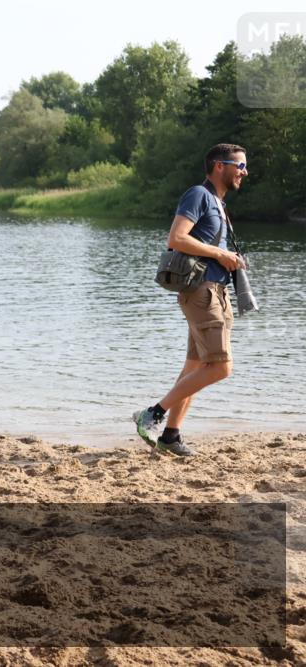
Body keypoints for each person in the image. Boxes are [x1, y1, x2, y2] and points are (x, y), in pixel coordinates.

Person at [133, 144, 249, 456]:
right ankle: (152, 414)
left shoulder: (217, 203)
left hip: (216, 291)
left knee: (196, 366)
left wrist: (229, 259)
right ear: (218, 166)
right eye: (239, 165)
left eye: (244, 166)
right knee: (221, 367)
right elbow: (177, 238)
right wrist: (221, 253)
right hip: (202, 292)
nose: (244, 171)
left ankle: (170, 435)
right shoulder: (198, 194)